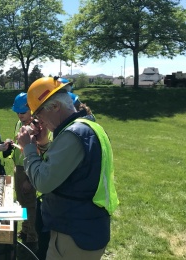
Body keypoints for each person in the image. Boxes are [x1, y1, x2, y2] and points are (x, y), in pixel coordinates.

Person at [17, 77, 119, 260]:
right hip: (84, 227)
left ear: (55, 107)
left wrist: (29, 148)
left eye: (39, 114)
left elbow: (43, 182)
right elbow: (62, 169)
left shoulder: (73, 134)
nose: (39, 121)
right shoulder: (86, 128)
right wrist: (42, 143)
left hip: (75, 233)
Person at [10, 93, 38, 252]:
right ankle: (25, 230)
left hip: (28, 170)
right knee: (22, 202)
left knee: (30, 204)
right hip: (19, 168)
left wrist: (29, 179)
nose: (20, 115)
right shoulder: (18, 123)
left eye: (23, 112)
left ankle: (32, 237)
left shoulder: (35, 127)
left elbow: (38, 153)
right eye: (17, 112)